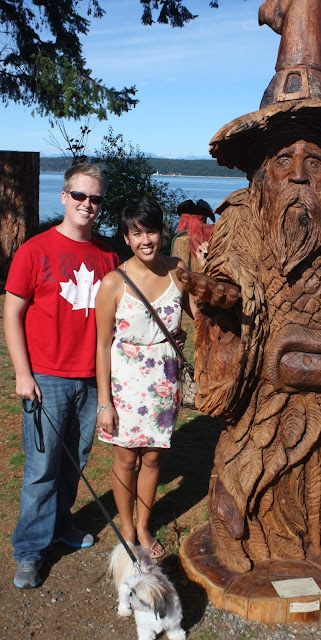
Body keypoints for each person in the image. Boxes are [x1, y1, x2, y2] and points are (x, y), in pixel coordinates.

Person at [4, 164, 119, 589]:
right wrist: (22, 372)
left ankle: (61, 526)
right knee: (41, 469)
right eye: (80, 196)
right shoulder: (34, 250)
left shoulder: (108, 256)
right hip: (46, 377)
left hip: (92, 379)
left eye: (95, 199)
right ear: (64, 197)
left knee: (75, 462)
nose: (87, 205)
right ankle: (30, 549)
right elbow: (12, 312)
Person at [95, 197, 198, 559]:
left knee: (153, 459)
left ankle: (143, 526)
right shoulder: (113, 283)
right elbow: (102, 345)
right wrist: (104, 403)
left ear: (161, 232)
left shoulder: (178, 270)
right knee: (125, 459)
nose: (145, 240)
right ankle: (126, 527)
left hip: (163, 382)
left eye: (151, 231)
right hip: (125, 385)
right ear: (126, 237)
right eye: (136, 233)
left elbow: (201, 314)